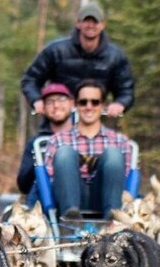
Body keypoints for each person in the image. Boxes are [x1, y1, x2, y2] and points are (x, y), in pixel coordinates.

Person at [21, 1, 134, 120]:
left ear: (103, 25)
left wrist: (120, 104)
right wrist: (37, 100)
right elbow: (30, 79)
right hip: (57, 120)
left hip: (95, 120)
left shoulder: (115, 56)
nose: (90, 25)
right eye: (86, 21)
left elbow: (125, 89)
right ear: (78, 23)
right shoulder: (55, 51)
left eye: (95, 21)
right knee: (40, 139)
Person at [44, 80, 132, 220]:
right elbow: (50, 180)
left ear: (102, 105)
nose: (89, 107)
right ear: (76, 104)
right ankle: (70, 217)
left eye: (95, 102)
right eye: (83, 102)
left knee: (113, 154)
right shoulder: (57, 140)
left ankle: (113, 218)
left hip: (107, 194)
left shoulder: (120, 141)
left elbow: (124, 180)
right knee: (65, 153)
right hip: (68, 196)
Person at [16, 83, 74, 208]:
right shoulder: (37, 143)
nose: (56, 105)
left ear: (71, 103)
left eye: (61, 99)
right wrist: (40, 162)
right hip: (44, 200)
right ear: (43, 108)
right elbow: (23, 185)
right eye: (50, 102)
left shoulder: (83, 139)